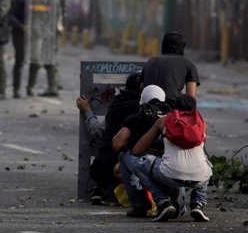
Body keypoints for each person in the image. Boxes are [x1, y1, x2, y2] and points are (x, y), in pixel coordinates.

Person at [130, 94, 212, 222]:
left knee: (138, 163)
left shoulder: (164, 121)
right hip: (199, 178)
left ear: (174, 107)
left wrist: (156, 153)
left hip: (169, 174)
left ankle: (163, 201)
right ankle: (198, 203)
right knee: (206, 164)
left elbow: (137, 150)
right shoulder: (203, 125)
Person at [77, 72, 141, 205]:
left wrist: (87, 111)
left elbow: (98, 131)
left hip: (101, 165)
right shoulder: (142, 110)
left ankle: (99, 188)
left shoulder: (115, 106)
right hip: (123, 165)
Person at [113, 85, 172, 217]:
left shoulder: (136, 118)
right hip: (176, 164)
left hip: (149, 163)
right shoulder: (173, 118)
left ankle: (139, 203)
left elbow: (118, 144)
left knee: (125, 157)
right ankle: (194, 202)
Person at [27, 0, 64, 97]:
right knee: (37, 59)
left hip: (51, 32)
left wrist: (57, 26)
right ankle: (33, 87)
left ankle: (53, 87)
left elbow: (58, 11)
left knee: (50, 60)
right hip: (39, 30)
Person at [141, 31, 200, 106]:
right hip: (171, 107)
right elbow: (191, 99)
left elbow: (141, 89)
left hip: (147, 107)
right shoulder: (188, 64)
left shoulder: (150, 61)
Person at [10, 0, 35, 98]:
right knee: (20, 60)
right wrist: (22, 26)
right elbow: (10, 15)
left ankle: (30, 88)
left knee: (34, 60)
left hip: (34, 32)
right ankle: (16, 89)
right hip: (19, 31)